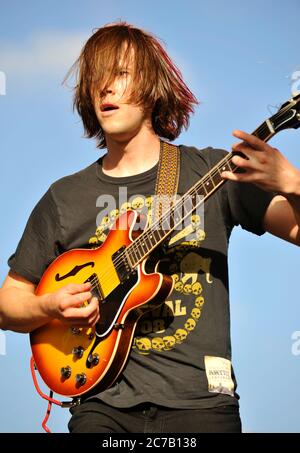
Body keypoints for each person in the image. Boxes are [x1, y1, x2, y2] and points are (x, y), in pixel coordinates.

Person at [0, 22, 299, 434]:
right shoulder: (64, 197)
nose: (106, 88)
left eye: (120, 74)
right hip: (100, 406)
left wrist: (293, 184)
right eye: (96, 78)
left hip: (202, 405)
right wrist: (48, 307)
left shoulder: (211, 172)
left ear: (152, 84)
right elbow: (8, 302)